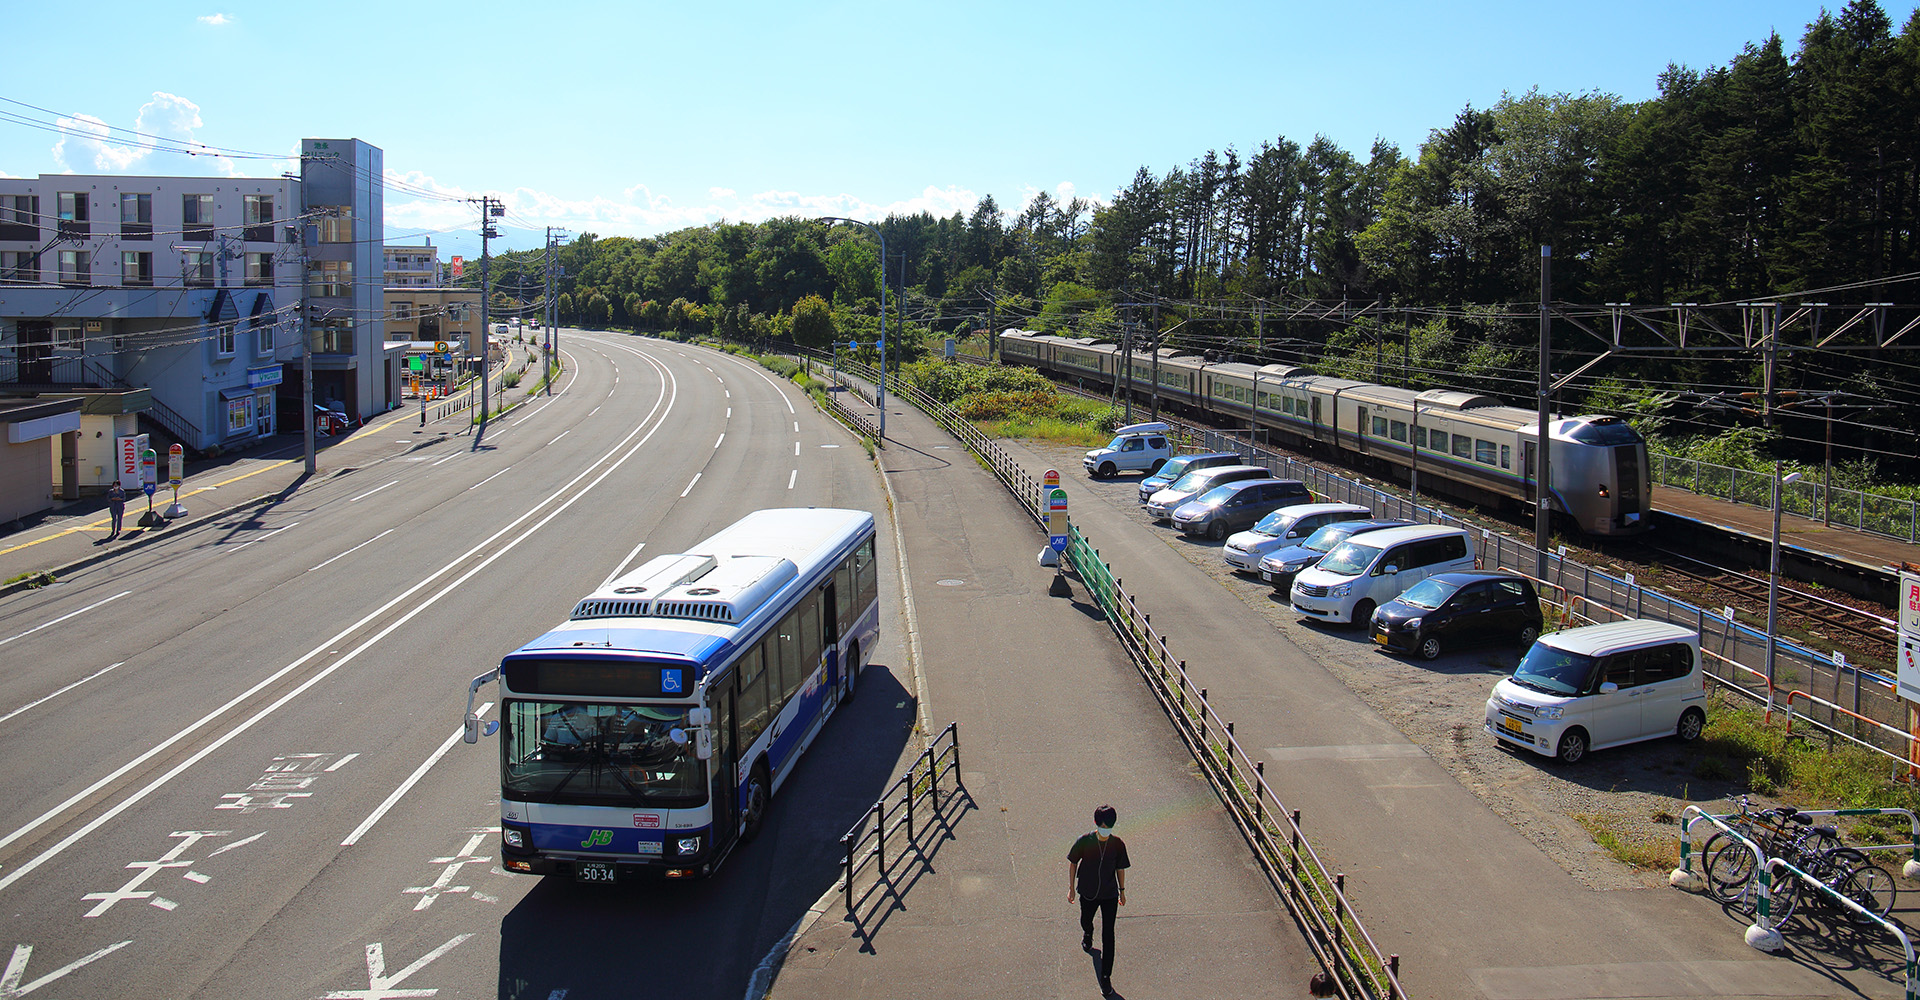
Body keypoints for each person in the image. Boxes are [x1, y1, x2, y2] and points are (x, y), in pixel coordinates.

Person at [1067, 804, 1129, 996]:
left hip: (1109, 894)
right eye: (1102, 826)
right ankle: (1088, 932)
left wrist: (1122, 891)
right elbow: (1073, 863)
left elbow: (1120, 868)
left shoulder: (1117, 845)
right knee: (1086, 919)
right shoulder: (1085, 841)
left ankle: (1106, 977)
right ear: (1096, 823)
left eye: (1108, 826)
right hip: (1088, 892)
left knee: (1109, 934)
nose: (1105, 830)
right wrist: (1071, 888)